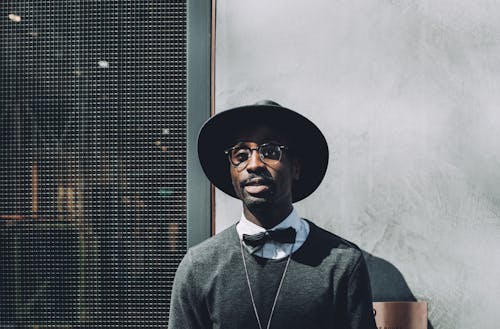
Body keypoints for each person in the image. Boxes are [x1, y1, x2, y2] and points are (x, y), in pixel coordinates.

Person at [169, 100, 377, 329]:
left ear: (296, 167)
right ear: (231, 172)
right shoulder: (199, 266)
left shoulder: (342, 263)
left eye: (270, 152)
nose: (254, 164)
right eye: (241, 155)